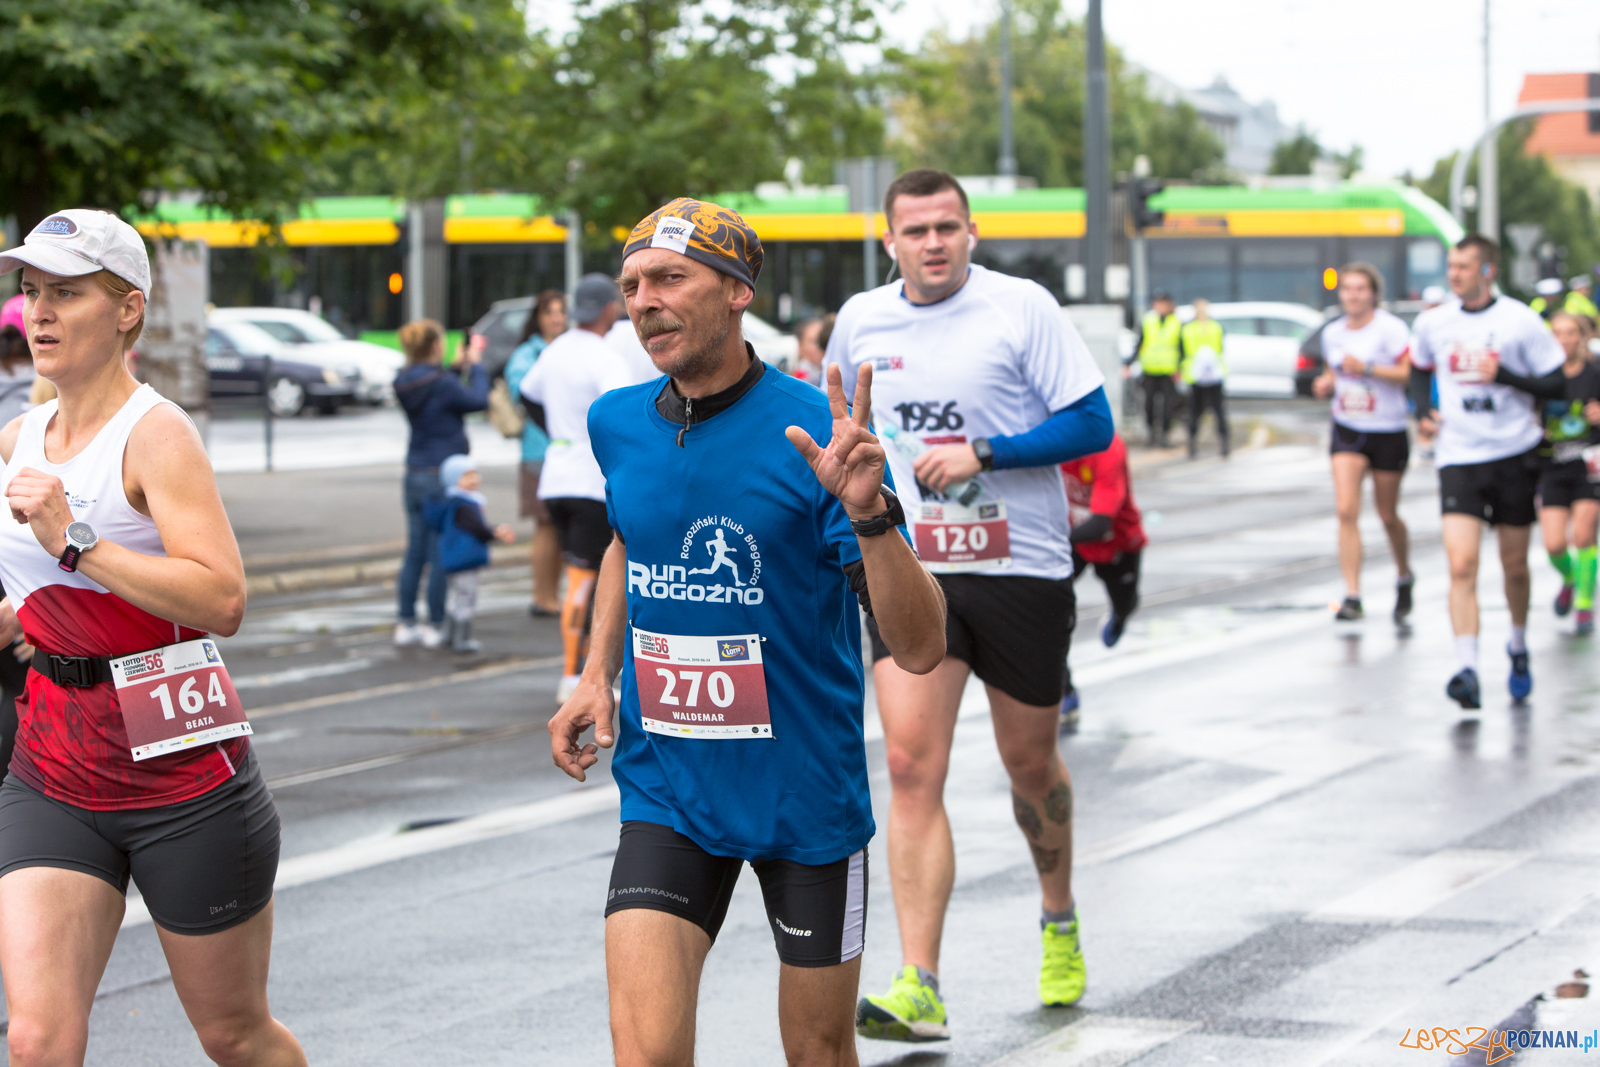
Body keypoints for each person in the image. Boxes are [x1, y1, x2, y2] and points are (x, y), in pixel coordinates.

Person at [548, 196, 946, 1067]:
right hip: (669, 790)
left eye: (667, 277)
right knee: (644, 1054)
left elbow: (919, 647)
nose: (643, 299)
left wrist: (871, 515)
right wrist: (593, 672)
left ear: (736, 290)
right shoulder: (618, 421)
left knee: (816, 1052)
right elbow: (629, 539)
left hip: (804, 802)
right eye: (631, 284)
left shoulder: (815, 436)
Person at [0, 210, 304, 1066]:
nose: (40, 312)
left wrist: (78, 540)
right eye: (31, 292)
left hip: (179, 780)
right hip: (53, 769)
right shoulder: (19, 440)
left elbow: (222, 596)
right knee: (37, 1040)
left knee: (235, 1036)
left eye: (66, 292)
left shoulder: (155, 432)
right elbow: (31, 596)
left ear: (127, 309)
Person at [826, 169, 1114, 1036]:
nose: (933, 242)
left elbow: (1093, 423)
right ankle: (920, 982)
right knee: (911, 765)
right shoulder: (860, 321)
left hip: (1020, 565)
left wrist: (981, 451)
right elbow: (842, 428)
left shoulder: (1019, 307)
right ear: (890, 242)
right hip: (912, 565)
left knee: (1030, 762)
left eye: (947, 226)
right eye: (915, 230)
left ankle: (1057, 913)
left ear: (972, 231)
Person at [1410, 234, 1567, 711]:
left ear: (1487, 271)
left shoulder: (1519, 321)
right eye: (1451, 266)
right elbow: (1419, 368)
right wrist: (1423, 410)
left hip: (1513, 453)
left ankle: (1517, 645)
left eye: (1463, 266)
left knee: (1514, 566)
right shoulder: (1433, 321)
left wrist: (1504, 375)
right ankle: (1467, 668)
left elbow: (1556, 382)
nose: (1453, 274)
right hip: (1458, 454)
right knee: (1461, 564)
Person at [519, 274, 634, 702]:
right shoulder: (604, 357)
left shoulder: (555, 349)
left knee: (578, 576)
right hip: (590, 479)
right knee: (589, 580)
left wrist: (555, 428)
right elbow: (620, 414)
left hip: (556, 473)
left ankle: (578, 671)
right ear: (609, 309)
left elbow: (526, 394)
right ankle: (575, 674)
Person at [1310, 262, 1415, 623]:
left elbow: (1407, 374)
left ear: (1373, 294)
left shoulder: (1391, 330)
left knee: (1387, 515)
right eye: (1347, 289)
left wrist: (1368, 368)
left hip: (1387, 427)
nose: (1353, 296)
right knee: (1346, 510)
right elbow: (1331, 372)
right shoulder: (1333, 333)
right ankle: (1352, 594)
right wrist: (1326, 384)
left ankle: (1403, 574)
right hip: (1348, 426)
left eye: (1360, 289)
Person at [393, 319, 488, 649]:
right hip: (443, 474)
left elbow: (435, 388)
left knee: (415, 551)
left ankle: (406, 622)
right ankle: (435, 623)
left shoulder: (404, 381)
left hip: (414, 471)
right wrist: (476, 368)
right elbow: (477, 401)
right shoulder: (443, 383)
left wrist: (452, 368)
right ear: (435, 345)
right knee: (438, 553)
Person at [1057, 431, 1147, 728]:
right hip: (1071, 542)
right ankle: (1064, 690)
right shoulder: (1050, 441)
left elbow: (1100, 523)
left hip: (1115, 540)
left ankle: (1120, 615)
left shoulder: (1106, 447)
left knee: (1126, 601)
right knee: (1049, 614)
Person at [1535, 312, 1600, 635]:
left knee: (1584, 535)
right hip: (1553, 466)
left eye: (1571, 332)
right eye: (1557, 333)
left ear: (1583, 336)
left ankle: (1585, 604)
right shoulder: (1543, 378)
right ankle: (1570, 578)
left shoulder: (1595, 373)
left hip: (1590, 464)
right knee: (1555, 544)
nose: (1564, 339)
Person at [503, 289, 568, 616]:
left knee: (560, 528)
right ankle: (542, 597)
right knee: (546, 525)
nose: (557, 318)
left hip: (565, 452)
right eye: (550, 312)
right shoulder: (528, 354)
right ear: (538, 318)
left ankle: (552, 595)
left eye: (561, 312)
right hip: (539, 451)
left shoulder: (570, 347)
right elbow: (522, 394)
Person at [431, 454, 516, 654]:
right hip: (465, 559)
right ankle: (462, 639)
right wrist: (496, 531)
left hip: (455, 558)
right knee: (466, 597)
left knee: (457, 597)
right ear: (453, 479)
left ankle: (448, 635)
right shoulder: (463, 504)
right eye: (467, 476)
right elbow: (478, 529)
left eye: (475, 474)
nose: (474, 479)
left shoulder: (456, 501)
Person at [1129, 290, 1181, 448]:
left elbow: (1181, 347)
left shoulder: (1176, 322)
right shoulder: (1147, 321)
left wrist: (1180, 368)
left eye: (1163, 303)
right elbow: (1139, 344)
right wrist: (1128, 363)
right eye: (1157, 303)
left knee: (1168, 406)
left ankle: (1165, 435)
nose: (1159, 307)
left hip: (1168, 370)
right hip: (1150, 370)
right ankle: (1151, 435)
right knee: (1149, 405)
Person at [1180, 298, 1229, 458]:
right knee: (1195, 412)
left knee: (1218, 411)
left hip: (1213, 375)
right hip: (1196, 375)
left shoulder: (1214, 327)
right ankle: (1192, 444)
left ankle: (1224, 443)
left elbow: (1220, 348)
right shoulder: (1189, 329)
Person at [793, 314, 833, 387]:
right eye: (814, 341)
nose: (820, 347)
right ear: (800, 347)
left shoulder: (825, 374)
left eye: (823, 340)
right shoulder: (801, 379)